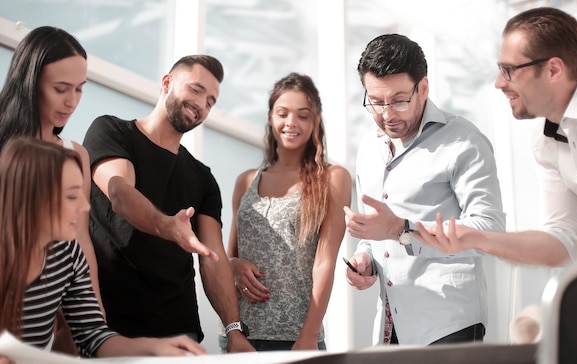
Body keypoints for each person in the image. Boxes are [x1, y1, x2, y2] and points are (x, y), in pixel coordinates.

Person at [415, 7, 577, 260]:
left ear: (554, 70)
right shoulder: (545, 139)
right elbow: (562, 237)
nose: (499, 83)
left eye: (509, 70)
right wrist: (477, 238)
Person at [82, 55, 254, 352]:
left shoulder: (203, 178)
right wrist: (167, 226)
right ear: (166, 82)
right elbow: (120, 193)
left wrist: (234, 330)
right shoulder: (111, 132)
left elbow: (212, 258)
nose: (201, 104)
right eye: (197, 90)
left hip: (179, 333)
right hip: (109, 330)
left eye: (211, 102)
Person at [343, 34, 506, 346]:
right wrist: (364, 259)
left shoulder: (465, 142)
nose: (387, 114)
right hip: (390, 329)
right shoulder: (368, 148)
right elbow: (378, 233)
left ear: (424, 88)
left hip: (447, 326)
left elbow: (492, 231)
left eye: (399, 99)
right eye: (376, 102)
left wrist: (404, 230)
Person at [0, 137, 206, 361]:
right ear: (32, 197)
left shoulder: (69, 255)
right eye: (71, 196)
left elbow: (93, 335)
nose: (84, 205)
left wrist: (154, 347)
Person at [218, 73, 352, 352]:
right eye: (283, 113)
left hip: (297, 340)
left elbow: (324, 263)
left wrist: (309, 337)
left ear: (315, 121)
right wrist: (233, 266)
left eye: (303, 115)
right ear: (270, 117)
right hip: (240, 337)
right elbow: (229, 254)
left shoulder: (332, 178)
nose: (291, 123)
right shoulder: (246, 181)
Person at [0, 25, 101, 355]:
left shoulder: (76, 154)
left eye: (80, 89)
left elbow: (80, 240)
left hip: (57, 305)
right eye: (61, 88)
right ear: (30, 83)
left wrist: (95, 313)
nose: (72, 102)